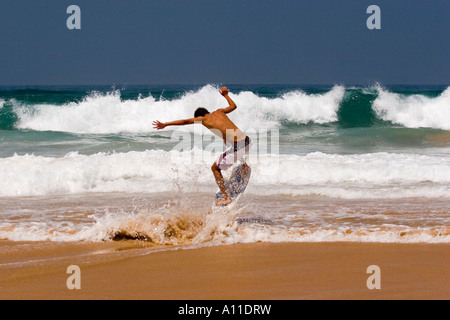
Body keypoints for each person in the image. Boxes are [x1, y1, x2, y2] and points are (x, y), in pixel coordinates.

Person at [152, 87, 251, 206]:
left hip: (238, 146)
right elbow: (233, 106)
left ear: (199, 116)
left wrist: (165, 124)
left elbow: (184, 122)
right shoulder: (220, 111)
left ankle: (226, 197)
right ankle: (244, 165)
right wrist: (225, 95)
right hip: (247, 141)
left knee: (215, 168)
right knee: (228, 143)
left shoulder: (203, 119)